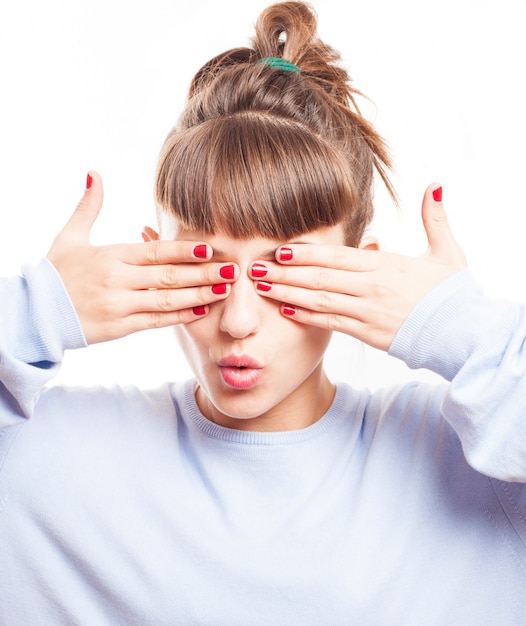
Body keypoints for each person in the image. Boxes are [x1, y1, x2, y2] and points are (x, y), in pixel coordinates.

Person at [1, 1, 525, 624]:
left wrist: (466, 332)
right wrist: (33, 312)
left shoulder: (477, 467)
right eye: (208, 268)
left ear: (368, 272)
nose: (238, 320)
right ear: (156, 260)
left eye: (286, 272)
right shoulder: (47, 461)